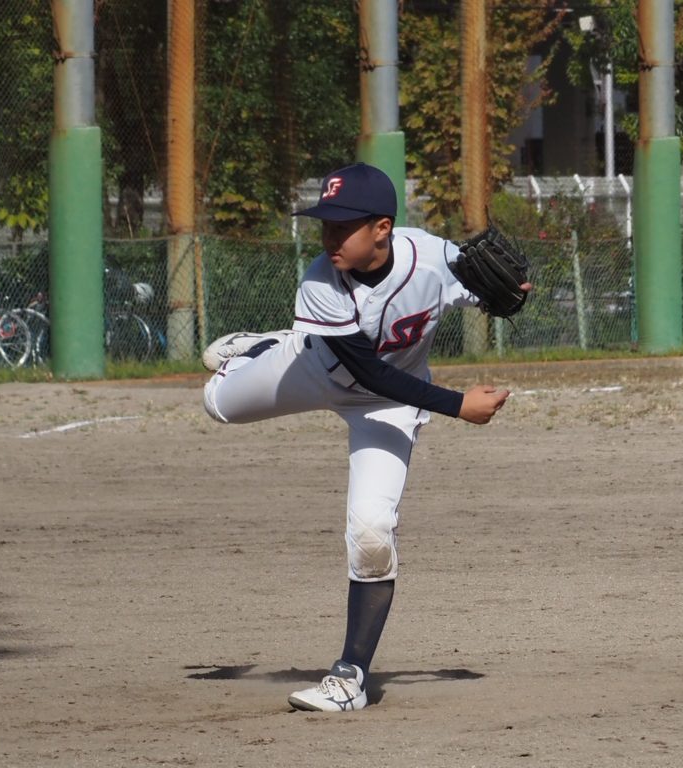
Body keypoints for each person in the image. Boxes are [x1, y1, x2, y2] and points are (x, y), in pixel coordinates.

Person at [201, 162, 530, 712]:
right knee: (216, 404)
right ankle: (265, 347)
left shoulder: (433, 257)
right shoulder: (319, 281)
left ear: (382, 228)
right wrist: (458, 405)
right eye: (324, 224)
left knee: (372, 531)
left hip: (391, 406)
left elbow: (488, 288)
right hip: (313, 370)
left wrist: (511, 291)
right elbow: (371, 371)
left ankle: (349, 677)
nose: (329, 237)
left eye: (342, 226)